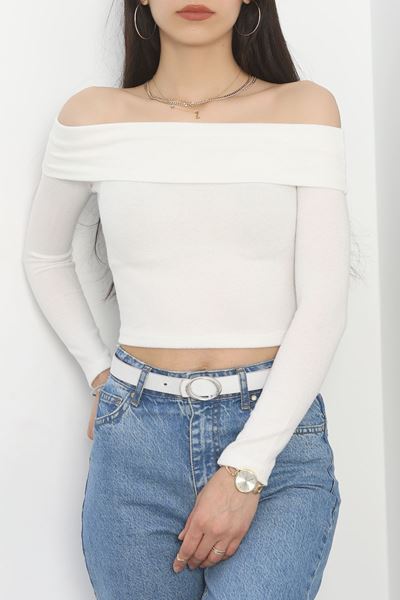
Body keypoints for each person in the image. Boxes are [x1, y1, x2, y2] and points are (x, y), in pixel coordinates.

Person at [22, 1, 350, 598]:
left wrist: (246, 469)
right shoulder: (92, 116)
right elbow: (44, 256)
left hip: (273, 434)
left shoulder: (304, 108)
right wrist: (99, 374)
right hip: (135, 441)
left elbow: (324, 304)